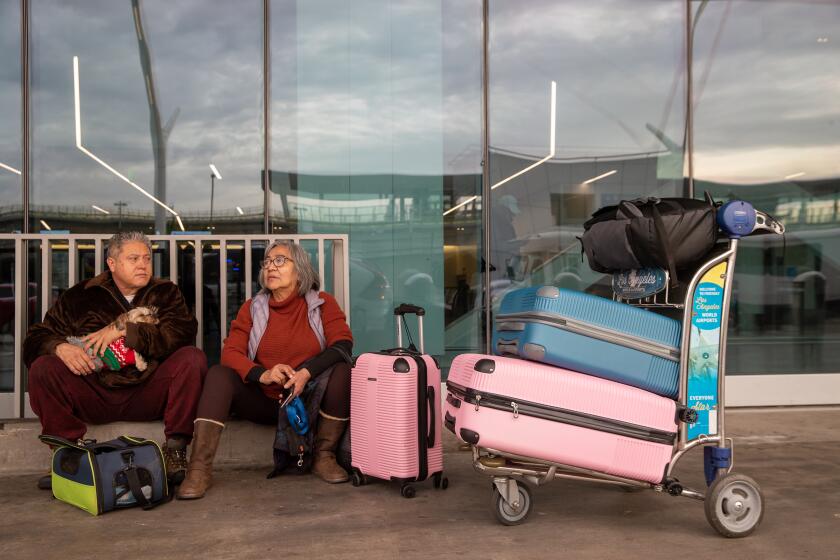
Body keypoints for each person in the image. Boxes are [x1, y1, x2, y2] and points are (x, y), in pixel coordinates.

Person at [23, 232, 206, 489]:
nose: (142, 264)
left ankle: (175, 451)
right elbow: (36, 337)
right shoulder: (81, 295)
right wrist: (59, 347)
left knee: (192, 358)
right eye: (133, 258)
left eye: (146, 258)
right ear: (112, 263)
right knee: (44, 367)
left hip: (147, 391)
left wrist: (123, 329)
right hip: (94, 391)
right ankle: (68, 457)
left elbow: (180, 335)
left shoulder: (165, 292)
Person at [177, 240, 353, 499]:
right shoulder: (253, 307)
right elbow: (230, 352)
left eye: (280, 260)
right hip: (266, 400)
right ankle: (199, 469)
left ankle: (324, 456)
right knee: (219, 374)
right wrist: (264, 374)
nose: (271, 266)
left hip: (308, 402)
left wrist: (306, 373)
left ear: (300, 269)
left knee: (342, 370)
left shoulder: (322, 303)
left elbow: (343, 344)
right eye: (268, 261)